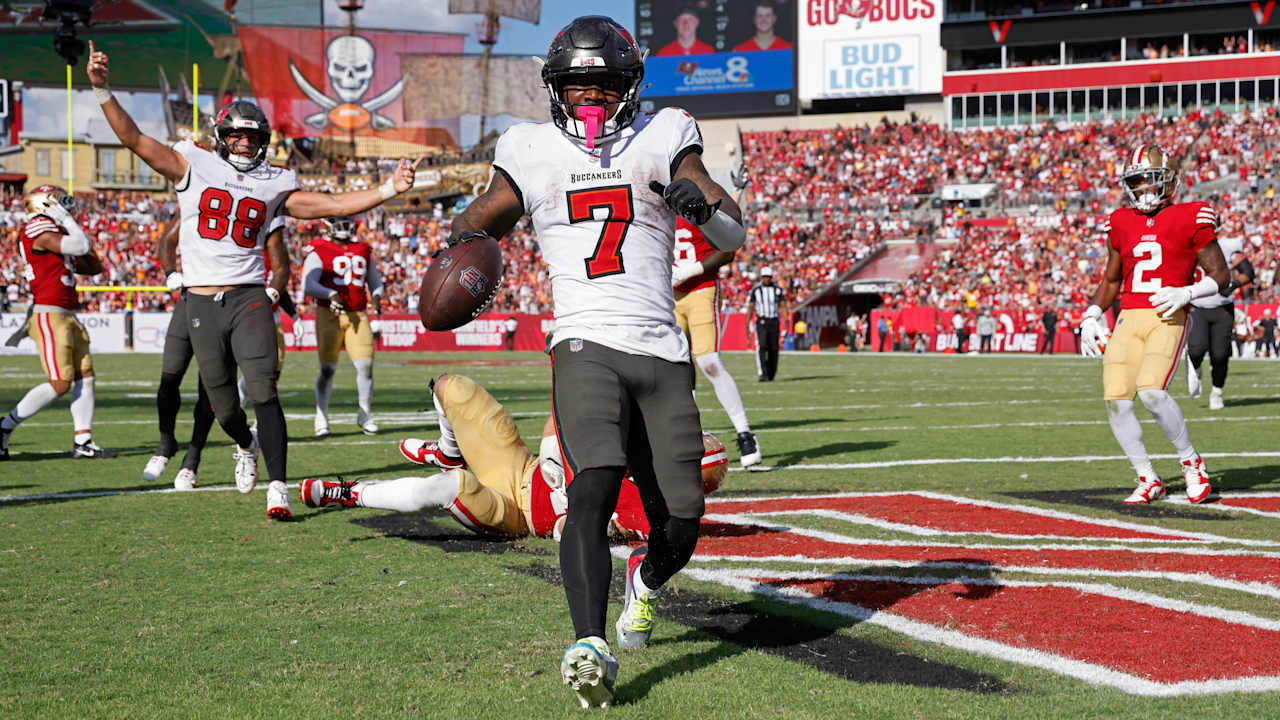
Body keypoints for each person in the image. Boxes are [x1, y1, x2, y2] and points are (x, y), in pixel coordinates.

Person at [435, 15, 746, 708]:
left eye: (603, 86)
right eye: (577, 87)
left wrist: (705, 209)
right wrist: (460, 241)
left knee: (683, 518)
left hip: (661, 350)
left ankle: (646, 584)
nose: (591, 101)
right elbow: (488, 211)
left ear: (629, 86)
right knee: (594, 483)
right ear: (555, 90)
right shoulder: (529, 147)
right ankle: (588, 641)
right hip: (583, 342)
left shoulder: (664, 135)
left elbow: (735, 230)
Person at [88, 41, 420, 519]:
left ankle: (279, 487)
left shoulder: (275, 181)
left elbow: (330, 206)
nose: (244, 143)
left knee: (264, 388)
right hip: (201, 301)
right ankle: (245, 443)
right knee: (224, 406)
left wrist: (389, 188)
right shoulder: (193, 162)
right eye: (236, 136)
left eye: (251, 137)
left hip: (248, 298)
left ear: (262, 141)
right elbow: (135, 139)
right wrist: (102, 90)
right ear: (222, 136)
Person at [298, 374, 729, 543]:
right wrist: (553, 451)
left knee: (452, 488)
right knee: (451, 388)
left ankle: (350, 493)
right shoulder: (633, 434)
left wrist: (586, 523)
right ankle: (450, 453)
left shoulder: (650, 504)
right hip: (519, 466)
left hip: (516, 512)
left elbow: (576, 532)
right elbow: (564, 411)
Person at [1079, 143, 1229, 506]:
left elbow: (1221, 276)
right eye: (1137, 182)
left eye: (1150, 180)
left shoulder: (1191, 216)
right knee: (1116, 400)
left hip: (1168, 314)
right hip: (1129, 315)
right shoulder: (1119, 221)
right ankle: (1148, 476)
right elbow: (1112, 280)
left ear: (1169, 182)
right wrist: (1091, 314)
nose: (1143, 189)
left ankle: (1191, 462)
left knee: (1151, 391)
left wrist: (1188, 292)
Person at [143, 219, 291, 488]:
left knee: (212, 389)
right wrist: (169, 271)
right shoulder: (198, 197)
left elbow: (278, 263)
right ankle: (165, 444)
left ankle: (192, 460)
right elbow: (167, 239)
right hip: (193, 297)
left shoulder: (254, 205)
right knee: (170, 375)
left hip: (234, 304)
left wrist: (279, 300)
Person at [1, 185, 115, 460]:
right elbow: (80, 245)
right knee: (60, 383)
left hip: (67, 313)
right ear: (44, 204)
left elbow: (94, 266)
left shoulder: (54, 232)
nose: (66, 205)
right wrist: (67, 222)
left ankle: (83, 441)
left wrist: (68, 226)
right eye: (58, 200)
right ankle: (4, 426)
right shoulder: (37, 226)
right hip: (49, 313)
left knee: (85, 377)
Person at [673, 218, 761, 467]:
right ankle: (686, 433)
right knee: (672, 365)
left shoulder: (696, 208)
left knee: (709, 362)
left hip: (702, 288)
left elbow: (727, 251)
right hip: (670, 294)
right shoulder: (655, 208)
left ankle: (745, 434)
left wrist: (689, 270)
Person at [303, 216, 384, 437]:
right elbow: (308, 284)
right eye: (338, 221)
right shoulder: (318, 249)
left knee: (365, 365)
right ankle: (321, 415)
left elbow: (375, 281)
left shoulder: (362, 248)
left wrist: (377, 296)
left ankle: (365, 413)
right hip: (328, 313)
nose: (344, 224)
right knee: (327, 369)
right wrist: (329, 294)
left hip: (358, 313)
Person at [1186, 235, 1249, 410]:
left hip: (1222, 308)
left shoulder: (1228, 246)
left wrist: (1233, 285)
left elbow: (1247, 272)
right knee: (1196, 349)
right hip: (1197, 306)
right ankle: (1196, 368)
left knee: (1220, 354)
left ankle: (1217, 392)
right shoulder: (1187, 244)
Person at [748, 267, 786, 380]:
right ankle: (762, 373)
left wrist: (786, 319)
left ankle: (771, 373)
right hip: (762, 321)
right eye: (764, 277)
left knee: (774, 348)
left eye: (768, 277)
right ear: (761, 277)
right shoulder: (756, 290)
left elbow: (783, 306)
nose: (766, 279)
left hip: (774, 320)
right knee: (762, 346)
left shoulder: (777, 290)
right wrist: (747, 324)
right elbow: (750, 308)